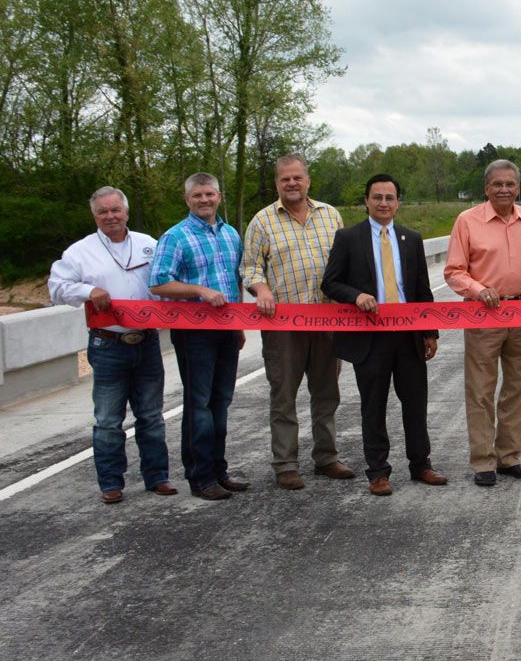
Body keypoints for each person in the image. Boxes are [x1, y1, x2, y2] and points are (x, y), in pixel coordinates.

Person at [321, 173, 447, 496]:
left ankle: (421, 465)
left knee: (415, 403)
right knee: (373, 406)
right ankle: (378, 472)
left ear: (398, 203)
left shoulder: (412, 238)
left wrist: (430, 331)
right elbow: (330, 282)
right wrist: (355, 296)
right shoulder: (348, 238)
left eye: (389, 198)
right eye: (377, 197)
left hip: (408, 337)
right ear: (366, 201)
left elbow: (421, 289)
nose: (383, 203)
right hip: (370, 337)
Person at [48, 187, 175, 504]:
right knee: (108, 420)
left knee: (151, 416)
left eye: (115, 210)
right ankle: (111, 483)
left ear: (126, 212)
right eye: (103, 212)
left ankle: (157, 477)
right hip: (108, 345)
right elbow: (57, 289)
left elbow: (166, 282)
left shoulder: (149, 244)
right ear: (94, 216)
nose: (110, 216)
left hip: (146, 342)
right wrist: (88, 290)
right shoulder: (80, 252)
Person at [241, 153, 354, 491]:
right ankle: (286, 464)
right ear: (277, 183)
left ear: (308, 180)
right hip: (283, 325)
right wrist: (260, 288)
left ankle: (326, 457)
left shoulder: (330, 215)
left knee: (326, 394)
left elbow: (345, 262)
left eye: (297, 178)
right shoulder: (261, 222)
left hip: (327, 321)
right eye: (284, 179)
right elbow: (250, 267)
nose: (291, 183)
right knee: (284, 396)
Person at [150, 173, 250, 501]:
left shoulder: (231, 234)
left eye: (209, 194)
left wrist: (238, 325)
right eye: (197, 196)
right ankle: (200, 475)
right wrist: (199, 291)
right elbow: (159, 283)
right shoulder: (175, 237)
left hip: (226, 331)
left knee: (221, 403)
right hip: (194, 333)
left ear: (219, 196)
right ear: (187, 200)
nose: (204, 200)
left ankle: (219, 471)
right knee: (199, 405)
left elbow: (236, 281)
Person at [444, 159, 521, 487]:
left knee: (516, 389)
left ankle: (509, 456)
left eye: (510, 184)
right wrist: (478, 289)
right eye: (497, 184)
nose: (504, 189)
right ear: (486, 188)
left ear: (518, 188)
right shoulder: (467, 221)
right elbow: (454, 271)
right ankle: (483, 461)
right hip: (483, 315)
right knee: (481, 390)